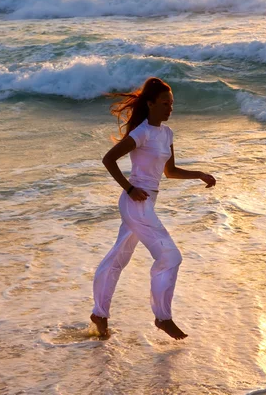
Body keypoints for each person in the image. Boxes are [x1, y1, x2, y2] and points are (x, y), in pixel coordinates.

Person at [91, 77, 216, 340]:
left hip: (147, 202)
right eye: (164, 104)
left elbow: (169, 172)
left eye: (172, 104)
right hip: (136, 202)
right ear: (150, 104)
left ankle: (99, 314)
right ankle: (163, 318)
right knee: (170, 256)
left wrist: (199, 174)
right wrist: (129, 188)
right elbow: (109, 159)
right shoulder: (142, 132)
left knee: (118, 258)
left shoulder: (166, 134)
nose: (170, 108)